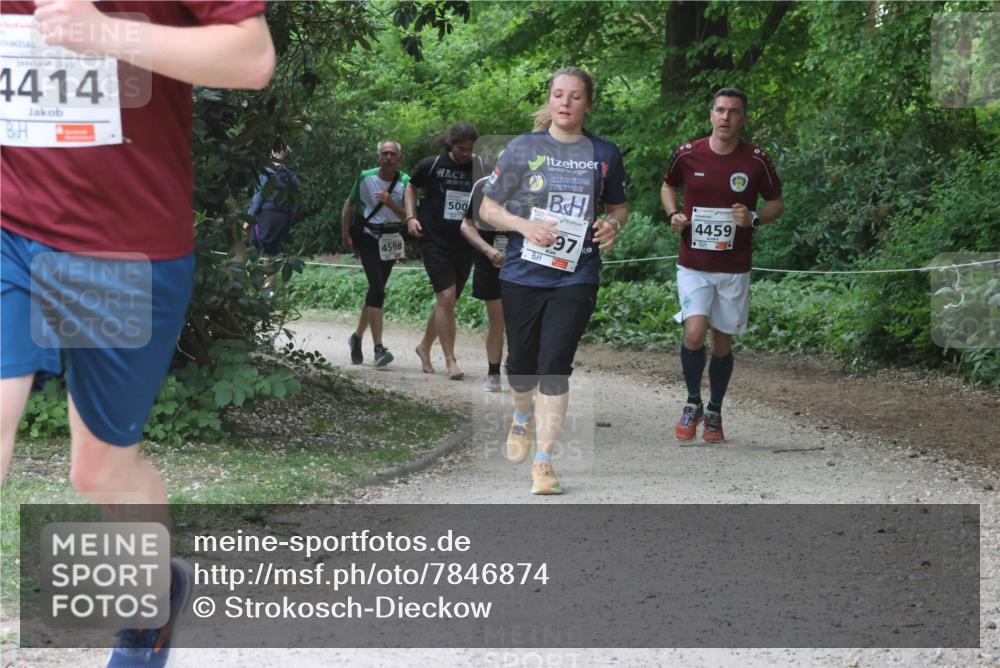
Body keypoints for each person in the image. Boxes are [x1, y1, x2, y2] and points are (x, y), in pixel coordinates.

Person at [0, 1, 274, 665]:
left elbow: (251, 57)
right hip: (8, 227)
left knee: (99, 471)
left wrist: (104, 33)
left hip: (118, 248)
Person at [481, 67, 627, 495]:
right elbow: (488, 209)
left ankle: (543, 463)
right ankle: (522, 416)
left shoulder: (605, 153)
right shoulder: (523, 148)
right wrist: (523, 226)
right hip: (523, 274)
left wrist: (611, 225)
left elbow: (618, 208)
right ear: (549, 100)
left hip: (576, 274)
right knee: (521, 369)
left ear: (588, 104)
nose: (565, 103)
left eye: (575, 96)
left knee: (555, 367)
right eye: (558, 95)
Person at [661, 87, 784, 443]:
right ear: (711, 114)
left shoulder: (756, 160)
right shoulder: (688, 154)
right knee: (695, 331)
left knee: (721, 343)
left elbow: (776, 203)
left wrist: (755, 218)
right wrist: (674, 214)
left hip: (734, 266)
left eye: (732, 111)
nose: (725, 117)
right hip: (693, 263)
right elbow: (667, 187)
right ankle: (692, 402)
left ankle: (714, 409)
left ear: (742, 118)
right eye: (719, 110)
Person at [459, 108, 552, 393]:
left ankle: (522, 367)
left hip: (521, 256)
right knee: (498, 317)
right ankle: (493, 372)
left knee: (521, 320)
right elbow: (465, 225)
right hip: (491, 257)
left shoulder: (533, 190)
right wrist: (488, 251)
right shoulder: (481, 187)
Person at [405, 123, 483, 381]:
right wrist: (410, 217)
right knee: (446, 296)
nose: (466, 154)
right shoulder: (432, 164)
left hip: (465, 240)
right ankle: (451, 361)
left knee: (447, 302)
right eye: (462, 149)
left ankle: (424, 346)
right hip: (434, 239)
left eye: (470, 149)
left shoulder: (478, 166)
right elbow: (411, 187)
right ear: (451, 145)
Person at [342, 140, 409, 368]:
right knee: (378, 290)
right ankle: (379, 348)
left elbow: (407, 217)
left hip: (391, 240)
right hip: (369, 238)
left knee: (375, 292)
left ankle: (357, 337)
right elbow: (349, 205)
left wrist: (391, 203)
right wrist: (345, 234)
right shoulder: (365, 177)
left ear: (399, 157)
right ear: (378, 156)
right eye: (384, 153)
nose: (388, 157)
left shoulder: (405, 182)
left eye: (392, 154)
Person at [247, 147, 299, 257]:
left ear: (274, 154)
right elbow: (294, 204)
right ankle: (271, 274)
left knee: (260, 253)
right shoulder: (293, 177)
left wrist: (248, 218)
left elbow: (259, 197)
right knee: (274, 255)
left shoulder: (267, 173)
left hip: (266, 217)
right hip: (283, 218)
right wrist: (289, 223)